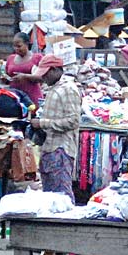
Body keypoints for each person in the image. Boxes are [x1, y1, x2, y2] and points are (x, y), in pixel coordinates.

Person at [31, 55, 80, 198]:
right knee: (50, 196)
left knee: (61, 195)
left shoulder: (68, 89)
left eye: (45, 73)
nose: (43, 77)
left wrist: (42, 123)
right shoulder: (54, 88)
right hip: (50, 148)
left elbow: (73, 121)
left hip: (61, 150)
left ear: (54, 70)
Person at [3, 32, 45, 105]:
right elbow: (7, 76)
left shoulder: (37, 58)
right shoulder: (10, 58)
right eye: (14, 46)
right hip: (15, 98)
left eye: (19, 46)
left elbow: (43, 78)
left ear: (27, 44)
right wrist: (5, 79)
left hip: (32, 98)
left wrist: (25, 76)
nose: (16, 49)